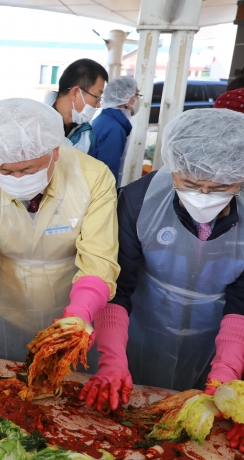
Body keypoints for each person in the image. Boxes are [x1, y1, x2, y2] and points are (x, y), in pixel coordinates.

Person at [0, 99, 119, 403]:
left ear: (54, 151)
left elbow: (99, 260)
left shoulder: (93, 178)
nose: (19, 180)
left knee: (66, 400)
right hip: (3, 308)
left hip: (74, 307)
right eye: (5, 172)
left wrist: (75, 320)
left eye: (28, 169)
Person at [80, 109, 244, 416]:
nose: (204, 195)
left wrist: (226, 373)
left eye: (221, 188)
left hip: (212, 338)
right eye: (190, 183)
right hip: (140, 326)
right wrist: (112, 359)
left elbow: (241, 302)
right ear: (173, 167)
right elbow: (119, 285)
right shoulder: (138, 201)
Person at [0, 58, 109, 200]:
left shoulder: (87, 135)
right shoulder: (26, 119)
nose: (99, 104)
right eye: (97, 96)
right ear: (75, 92)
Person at [89, 76, 141, 184]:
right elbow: (108, 173)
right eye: (137, 95)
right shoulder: (114, 129)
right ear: (127, 97)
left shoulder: (104, 120)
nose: (138, 100)